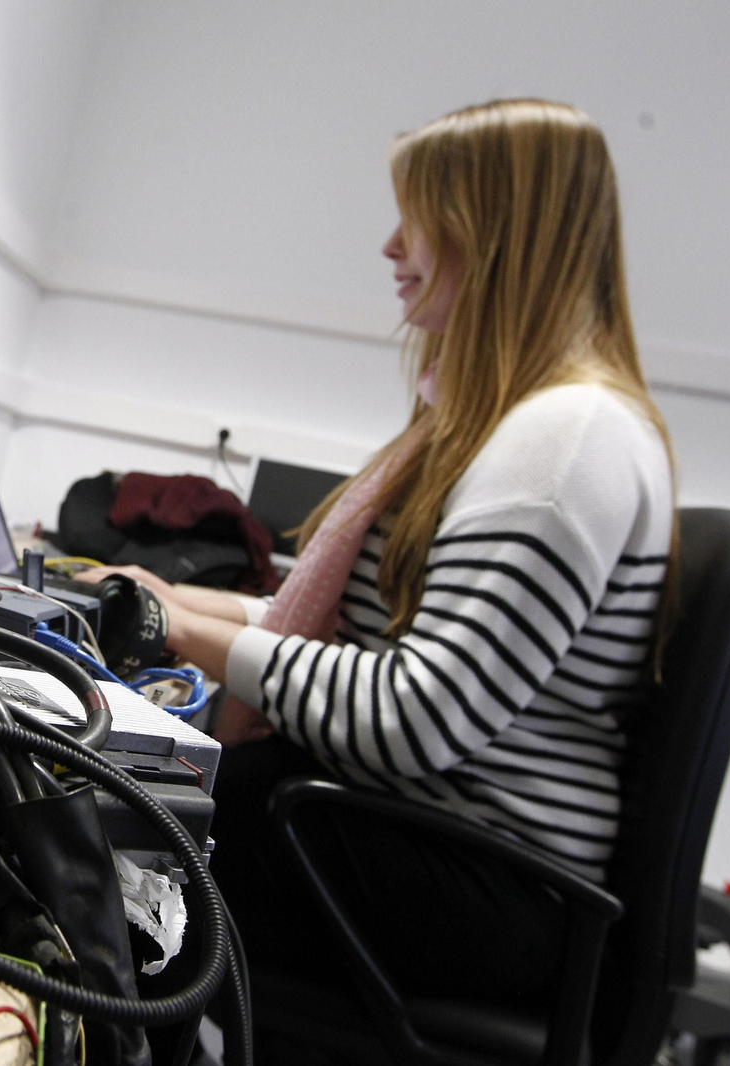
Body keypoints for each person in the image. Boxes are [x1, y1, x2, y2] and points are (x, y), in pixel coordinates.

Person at [81, 99, 677, 1042]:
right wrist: (170, 595)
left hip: (489, 882)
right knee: (129, 798)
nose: (393, 246)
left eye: (422, 216)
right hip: (438, 842)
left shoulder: (567, 443)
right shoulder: (513, 425)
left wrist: (183, 630)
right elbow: (357, 638)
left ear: (497, 233)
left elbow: (414, 712)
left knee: (99, 820)